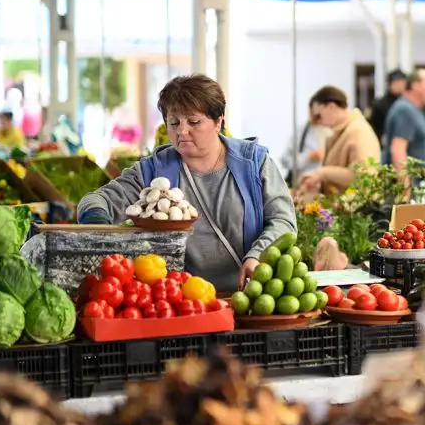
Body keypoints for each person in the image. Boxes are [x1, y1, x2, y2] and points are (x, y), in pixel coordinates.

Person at [77, 74, 296, 294]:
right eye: (174, 122)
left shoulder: (254, 163)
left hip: (253, 296)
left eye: (194, 122)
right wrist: (97, 226)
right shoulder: (153, 171)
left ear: (218, 121)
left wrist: (258, 255)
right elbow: (95, 200)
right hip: (181, 301)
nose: (182, 131)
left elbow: (283, 220)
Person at [296, 86, 381, 197]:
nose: (317, 123)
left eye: (318, 116)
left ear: (331, 107)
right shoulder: (339, 132)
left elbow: (363, 177)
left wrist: (322, 173)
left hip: (358, 211)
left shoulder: (359, 132)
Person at [383, 68, 425, 174]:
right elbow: (398, 151)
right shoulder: (405, 110)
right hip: (409, 186)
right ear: (416, 86)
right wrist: (405, 188)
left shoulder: (414, 110)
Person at [280, 108, 330, 186]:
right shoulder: (301, 131)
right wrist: (308, 157)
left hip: (327, 188)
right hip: (301, 187)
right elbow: (285, 161)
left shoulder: (333, 131)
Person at [369, 70, 406, 140]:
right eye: (398, 83)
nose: (401, 86)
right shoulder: (380, 105)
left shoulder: (408, 103)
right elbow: (374, 128)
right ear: (390, 84)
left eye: (403, 83)